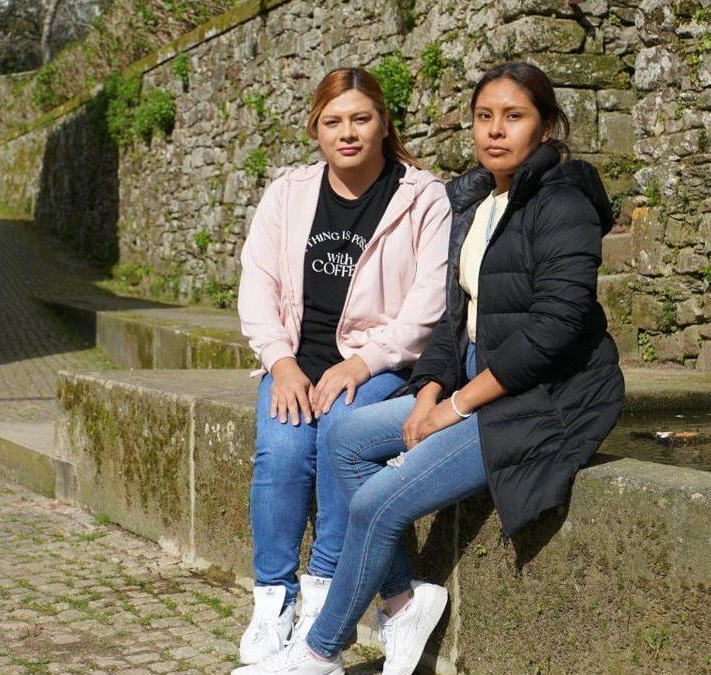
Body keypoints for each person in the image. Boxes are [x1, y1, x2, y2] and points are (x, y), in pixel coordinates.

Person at [233, 62, 625, 675]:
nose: (495, 131)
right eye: (483, 117)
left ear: (546, 128)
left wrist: (458, 404)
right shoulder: (479, 200)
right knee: (341, 436)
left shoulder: (563, 202)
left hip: (536, 403)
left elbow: (555, 327)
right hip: (475, 384)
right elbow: (450, 319)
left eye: (514, 117)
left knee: (378, 503)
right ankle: (400, 603)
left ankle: (318, 651)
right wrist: (430, 391)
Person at [235, 67, 451, 666]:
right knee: (279, 450)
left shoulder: (422, 198)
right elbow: (258, 284)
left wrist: (361, 364)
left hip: (381, 363)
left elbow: (427, 306)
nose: (347, 132)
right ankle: (273, 600)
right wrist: (279, 361)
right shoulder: (288, 194)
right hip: (297, 363)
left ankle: (324, 596)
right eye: (333, 122)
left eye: (361, 118)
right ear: (316, 130)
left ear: (384, 123)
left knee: (338, 435)